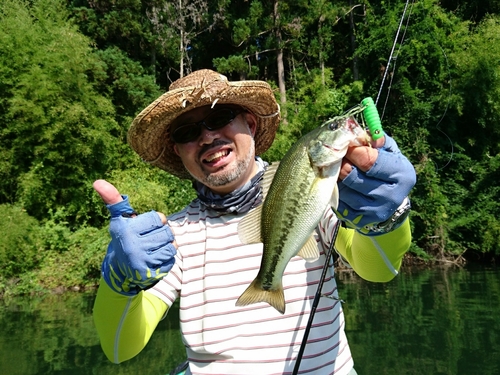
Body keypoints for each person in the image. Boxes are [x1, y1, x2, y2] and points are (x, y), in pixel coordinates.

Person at [93, 69, 416, 375]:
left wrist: (385, 218)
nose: (207, 137)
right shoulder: (172, 235)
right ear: (178, 152)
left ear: (250, 123)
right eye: (187, 132)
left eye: (219, 118)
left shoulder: (316, 190)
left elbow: (381, 269)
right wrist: (119, 285)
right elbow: (121, 349)